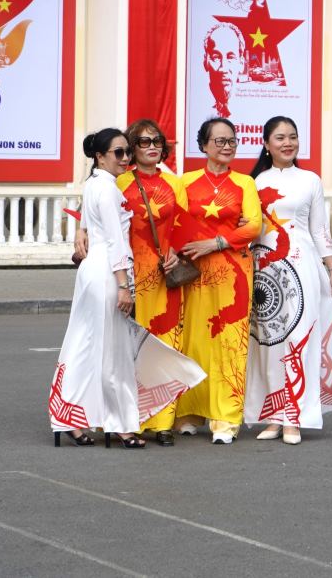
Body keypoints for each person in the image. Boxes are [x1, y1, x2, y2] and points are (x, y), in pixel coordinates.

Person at [49, 129, 204, 449]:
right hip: (108, 270)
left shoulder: (94, 184)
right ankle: (118, 424)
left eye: (126, 153)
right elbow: (118, 242)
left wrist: (82, 230)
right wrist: (124, 287)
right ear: (100, 156)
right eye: (118, 153)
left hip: (93, 270)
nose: (125, 159)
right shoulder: (108, 190)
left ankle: (69, 417)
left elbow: (91, 225)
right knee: (114, 349)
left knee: (85, 342)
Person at [244, 117, 332, 445]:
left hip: (303, 266)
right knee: (267, 344)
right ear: (266, 144)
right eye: (279, 137)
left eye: (292, 137)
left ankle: (295, 417)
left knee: (299, 340)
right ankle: (272, 416)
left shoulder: (310, 180)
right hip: (265, 271)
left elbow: (320, 229)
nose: (287, 143)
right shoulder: (254, 182)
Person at [173, 118, 262, 444]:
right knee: (193, 341)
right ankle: (189, 412)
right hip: (194, 274)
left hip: (233, 274)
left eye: (231, 141)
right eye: (220, 141)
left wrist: (216, 242)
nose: (227, 146)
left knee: (229, 344)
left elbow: (254, 226)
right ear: (204, 145)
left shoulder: (244, 183)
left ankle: (226, 418)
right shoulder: (186, 182)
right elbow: (175, 220)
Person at [114, 120, 189, 446]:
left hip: (164, 276)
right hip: (130, 276)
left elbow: (186, 225)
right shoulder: (119, 183)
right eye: (143, 142)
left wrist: (177, 251)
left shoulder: (175, 183)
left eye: (156, 140)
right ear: (132, 147)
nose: (151, 146)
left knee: (165, 345)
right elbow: (98, 223)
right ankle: (130, 419)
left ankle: (163, 422)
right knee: (128, 347)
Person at [203, 23, 246, 119]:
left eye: (230, 57)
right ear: (206, 61)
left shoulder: (249, 112)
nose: (223, 68)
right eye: (216, 57)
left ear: (241, 63)